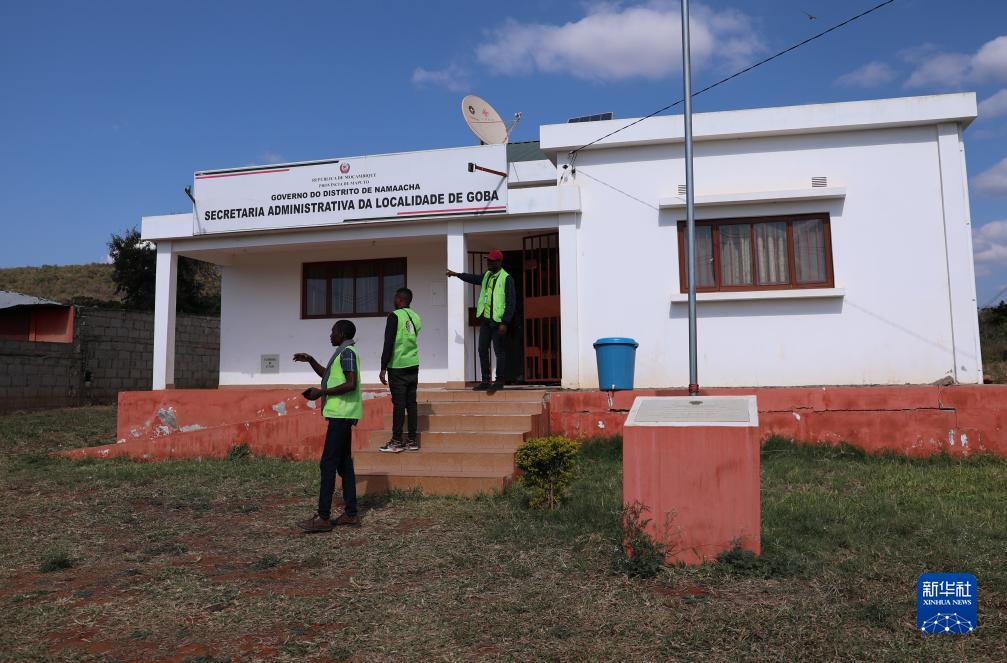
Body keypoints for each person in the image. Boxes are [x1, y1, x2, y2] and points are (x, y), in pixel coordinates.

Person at [293, 320, 362, 532]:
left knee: (328, 464)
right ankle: (351, 514)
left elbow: (351, 384)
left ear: (341, 333)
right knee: (344, 465)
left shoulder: (347, 353)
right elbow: (328, 376)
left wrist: (321, 392)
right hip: (341, 416)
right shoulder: (343, 352)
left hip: (341, 416)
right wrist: (310, 360)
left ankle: (323, 518)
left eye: (332, 332)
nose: (330, 335)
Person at [447, 249, 515, 391]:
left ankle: (499, 381)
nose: (488, 263)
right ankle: (485, 380)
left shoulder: (506, 278)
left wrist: (505, 322)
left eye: (491, 261)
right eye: (488, 260)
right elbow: (473, 278)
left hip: (498, 321)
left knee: (499, 352)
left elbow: (511, 302)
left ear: (499, 262)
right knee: (482, 349)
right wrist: (457, 274)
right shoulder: (487, 276)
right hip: (486, 320)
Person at [378, 287, 422, 453]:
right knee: (411, 404)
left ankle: (396, 441)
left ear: (400, 300)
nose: (394, 300)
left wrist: (383, 367)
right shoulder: (416, 317)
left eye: (395, 298)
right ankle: (412, 440)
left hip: (397, 366)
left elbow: (388, 342)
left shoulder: (394, 316)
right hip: (413, 364)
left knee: (399, 404)